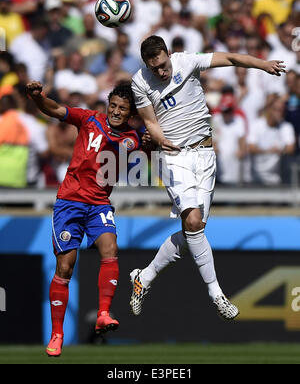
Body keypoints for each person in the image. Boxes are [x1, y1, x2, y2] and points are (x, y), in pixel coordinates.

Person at [130, 35, 286, 320]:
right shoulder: (140, 82)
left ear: (168, 54)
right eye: (155, 69)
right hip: (174, 158)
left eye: (163, 65)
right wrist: (160, 140)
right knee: (192, 222)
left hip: (205, 153)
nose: (162, 72)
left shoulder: (186, 61)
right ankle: (217, 294)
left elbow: (229, 58)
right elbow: (150, 121)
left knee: (194, 229)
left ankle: (145, 276)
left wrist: (263, 64)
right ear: (146, 66)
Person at [26, 81, 141, 357]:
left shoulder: (133, 138)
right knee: (66, 267)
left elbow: (155, 141)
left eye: (122, 108)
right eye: (112, 105)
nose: (115, 111)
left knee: (110, 248)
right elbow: (53, 108)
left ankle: (103, 313)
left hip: (99, 202)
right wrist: (37, 97)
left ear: (130, 113)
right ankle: (57, 334)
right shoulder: (88, 119)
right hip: (69, 202)